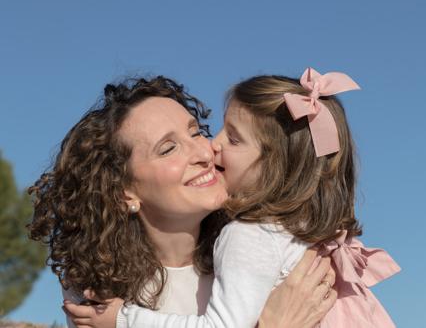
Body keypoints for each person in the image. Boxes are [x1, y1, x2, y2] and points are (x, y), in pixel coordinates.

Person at [65, 68, 401, 328]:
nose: (207, 148)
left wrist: (126, 320)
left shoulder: (253, 239)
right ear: (124, 191)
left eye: (196, 131)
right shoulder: (97, 287)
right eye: (168, 148)